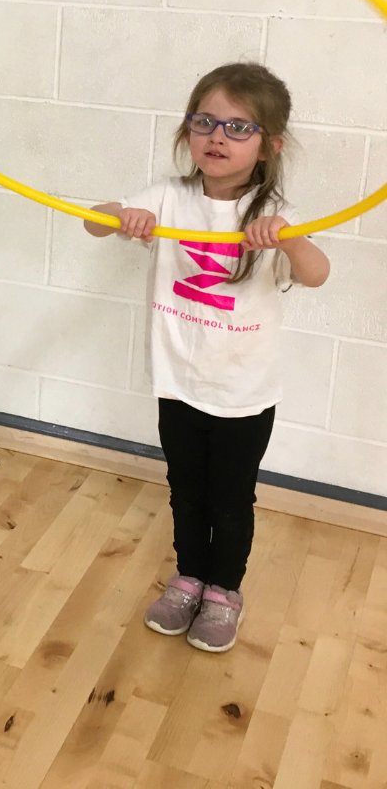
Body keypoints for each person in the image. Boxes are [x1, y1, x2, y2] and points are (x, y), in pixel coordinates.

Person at [84, 63, 329, 654]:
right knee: (185, 489)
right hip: (178, 381)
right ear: (188, 130)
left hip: (243, 390)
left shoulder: (273, 214)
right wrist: (122, 215)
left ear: (269, 145)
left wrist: (289, 238)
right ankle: (189, 577)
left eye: (239, 127)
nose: (218, 136)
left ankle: (224, 592)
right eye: (206, 121)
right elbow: (94, 223)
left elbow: (317, 274)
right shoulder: (169, 196)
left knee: (230, 496)